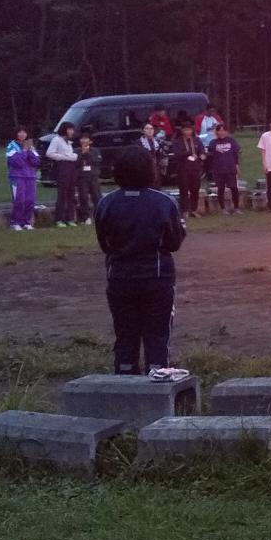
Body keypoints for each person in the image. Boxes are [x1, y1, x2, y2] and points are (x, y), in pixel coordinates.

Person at [94, 148, 186, 377]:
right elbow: (174, 242)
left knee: (125, 334)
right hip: (156, 279)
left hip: (119, 278)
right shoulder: (164, 202)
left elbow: (104, 244)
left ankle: (124, 381)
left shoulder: (106, 203)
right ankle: (157, 377)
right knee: (157, 335)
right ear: (150, 170)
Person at [4, 128, 40, 231]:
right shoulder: (11, 146)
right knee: (19, 200)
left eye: (24, 132)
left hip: (30, 177)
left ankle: (26, 222)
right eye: (20, 132)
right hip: (17, 177)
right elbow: (16, 162)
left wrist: (28, 151)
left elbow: (36, 161)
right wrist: (24, 151)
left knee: (30, 200)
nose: (22, 134)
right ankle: (15, 222)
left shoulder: (30, 146)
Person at [47, 121, 80, 227]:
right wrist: (64, 157)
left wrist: (72, 156)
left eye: (72, 129)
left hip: (71, 168)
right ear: (65, 129)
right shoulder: (57, 140)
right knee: (63, 194)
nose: (72, 131)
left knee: (71, 193)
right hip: (62, 168)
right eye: (70, 129)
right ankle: (59, 219)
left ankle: (70, 218)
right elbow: (50, 153)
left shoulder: (68, 142)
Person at [169, 122, 205, 216]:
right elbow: (176, 155)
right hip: (183, 169)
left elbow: (202, 151)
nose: (188, 132)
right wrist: (187, 153)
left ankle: (194, 209)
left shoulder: (196, 140)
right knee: (184, 190)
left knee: (195, 189)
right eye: (185, 130)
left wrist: (202, 155)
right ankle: (185, 210)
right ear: (182, 131)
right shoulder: (178, 142)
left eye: (189, 130)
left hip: (195, 168)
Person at [206, 125, 241, 214]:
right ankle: (223, 208)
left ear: (226, 131)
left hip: (230, 168)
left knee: (234, 188)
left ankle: (236, 207)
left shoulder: (231, 141)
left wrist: (237, 166)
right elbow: (210, 154)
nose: (221, 132)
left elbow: (236, 154)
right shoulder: (213, 142)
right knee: (220, 188)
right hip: (219, 169)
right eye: (219, 131)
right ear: (217, 132)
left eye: (223, 130)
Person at [73, 132, 102, 225]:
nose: (84, 140)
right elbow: (75, 163)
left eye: (86, 139)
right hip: (82, 177)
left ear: (90, 141)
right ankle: (86, 217)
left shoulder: (95, 150)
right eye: (82, 138)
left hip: (93, 176)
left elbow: (97, 161)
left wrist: (88, 154)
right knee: (83, 197)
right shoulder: (76, 151)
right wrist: (82, 154)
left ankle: (99, 216)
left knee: (97, 196)